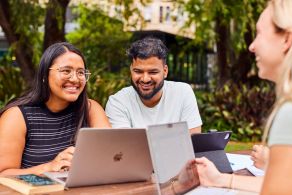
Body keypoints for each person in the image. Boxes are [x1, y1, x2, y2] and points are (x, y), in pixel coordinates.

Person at [196, 0, 292, 195]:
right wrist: (221, 179)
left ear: (287, 39)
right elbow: (284, 186)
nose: (251, 46)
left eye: (259, 33)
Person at [0, 42, 111, 176]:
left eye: (81, 72)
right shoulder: (17, 116)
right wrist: (49, 167)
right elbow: (3, 174)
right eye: (66, 71)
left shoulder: (91, 108)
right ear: (44, 76)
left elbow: (110, 156)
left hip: (82, 192)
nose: (75, 79)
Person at [105, 37, 202, 134]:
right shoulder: (117, 102)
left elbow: (192, 143)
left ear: (165, 71)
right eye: (138, 71)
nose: (145, 79)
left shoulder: (183, 93)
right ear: (131, 70)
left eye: (153, 72)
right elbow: (123, 146)